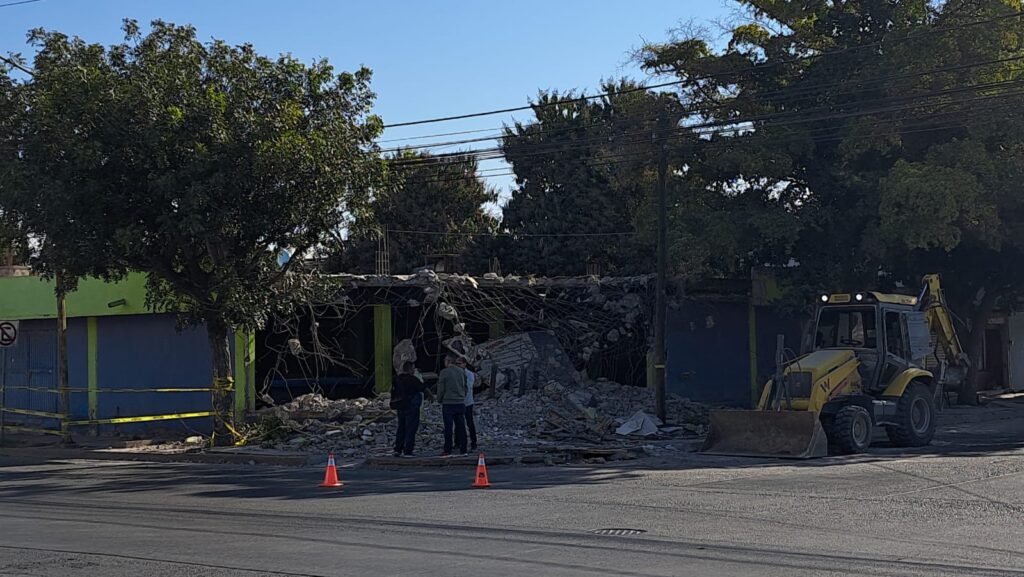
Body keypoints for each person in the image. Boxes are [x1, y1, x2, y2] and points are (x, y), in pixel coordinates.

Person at [391, 361, 426, 457]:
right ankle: (408, 450)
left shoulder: (397, 379)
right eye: (413, 368)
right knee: (411, 428)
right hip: (411, 407)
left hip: (400, 406)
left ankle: (398, 449)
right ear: (410, 369)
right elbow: (423, 388)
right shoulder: (413, 380)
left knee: (401, 427)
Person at [436, 353, 468, 456]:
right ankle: (464, 449)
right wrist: (462, 396)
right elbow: (465, 387)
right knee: (461, 426)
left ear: (448, 361)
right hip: (460, 402)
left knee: (448, 427)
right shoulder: (462, 372)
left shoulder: (444, 372)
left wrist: (439, 399)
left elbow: (441, 389)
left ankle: (447, 449)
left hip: (448, 403)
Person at [457, 357, 478, 452]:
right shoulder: (455, 373)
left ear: (464, 364)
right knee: (458, 423)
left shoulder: (469, 374)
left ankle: (473, 442)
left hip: (468, 401)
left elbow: (468, 386)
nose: (458, 365)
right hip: (458, 401)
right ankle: (457, 442)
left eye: (459, 363)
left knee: (469, 422)